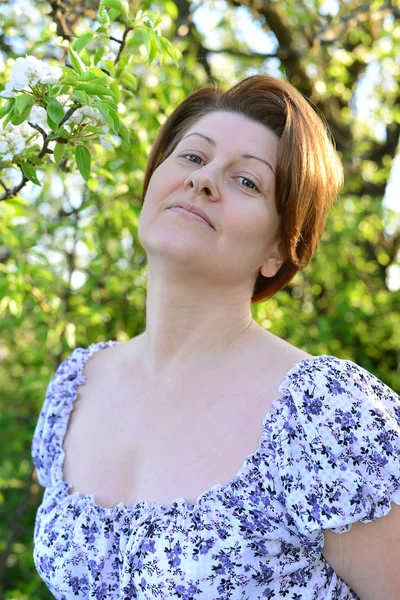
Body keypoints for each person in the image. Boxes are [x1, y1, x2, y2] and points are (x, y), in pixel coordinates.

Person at [31, 74, 400, 600]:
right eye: (191, 157)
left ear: (279, 248)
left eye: (247, 181)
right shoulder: (77, 385)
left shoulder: (323, 412)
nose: (203, 181)